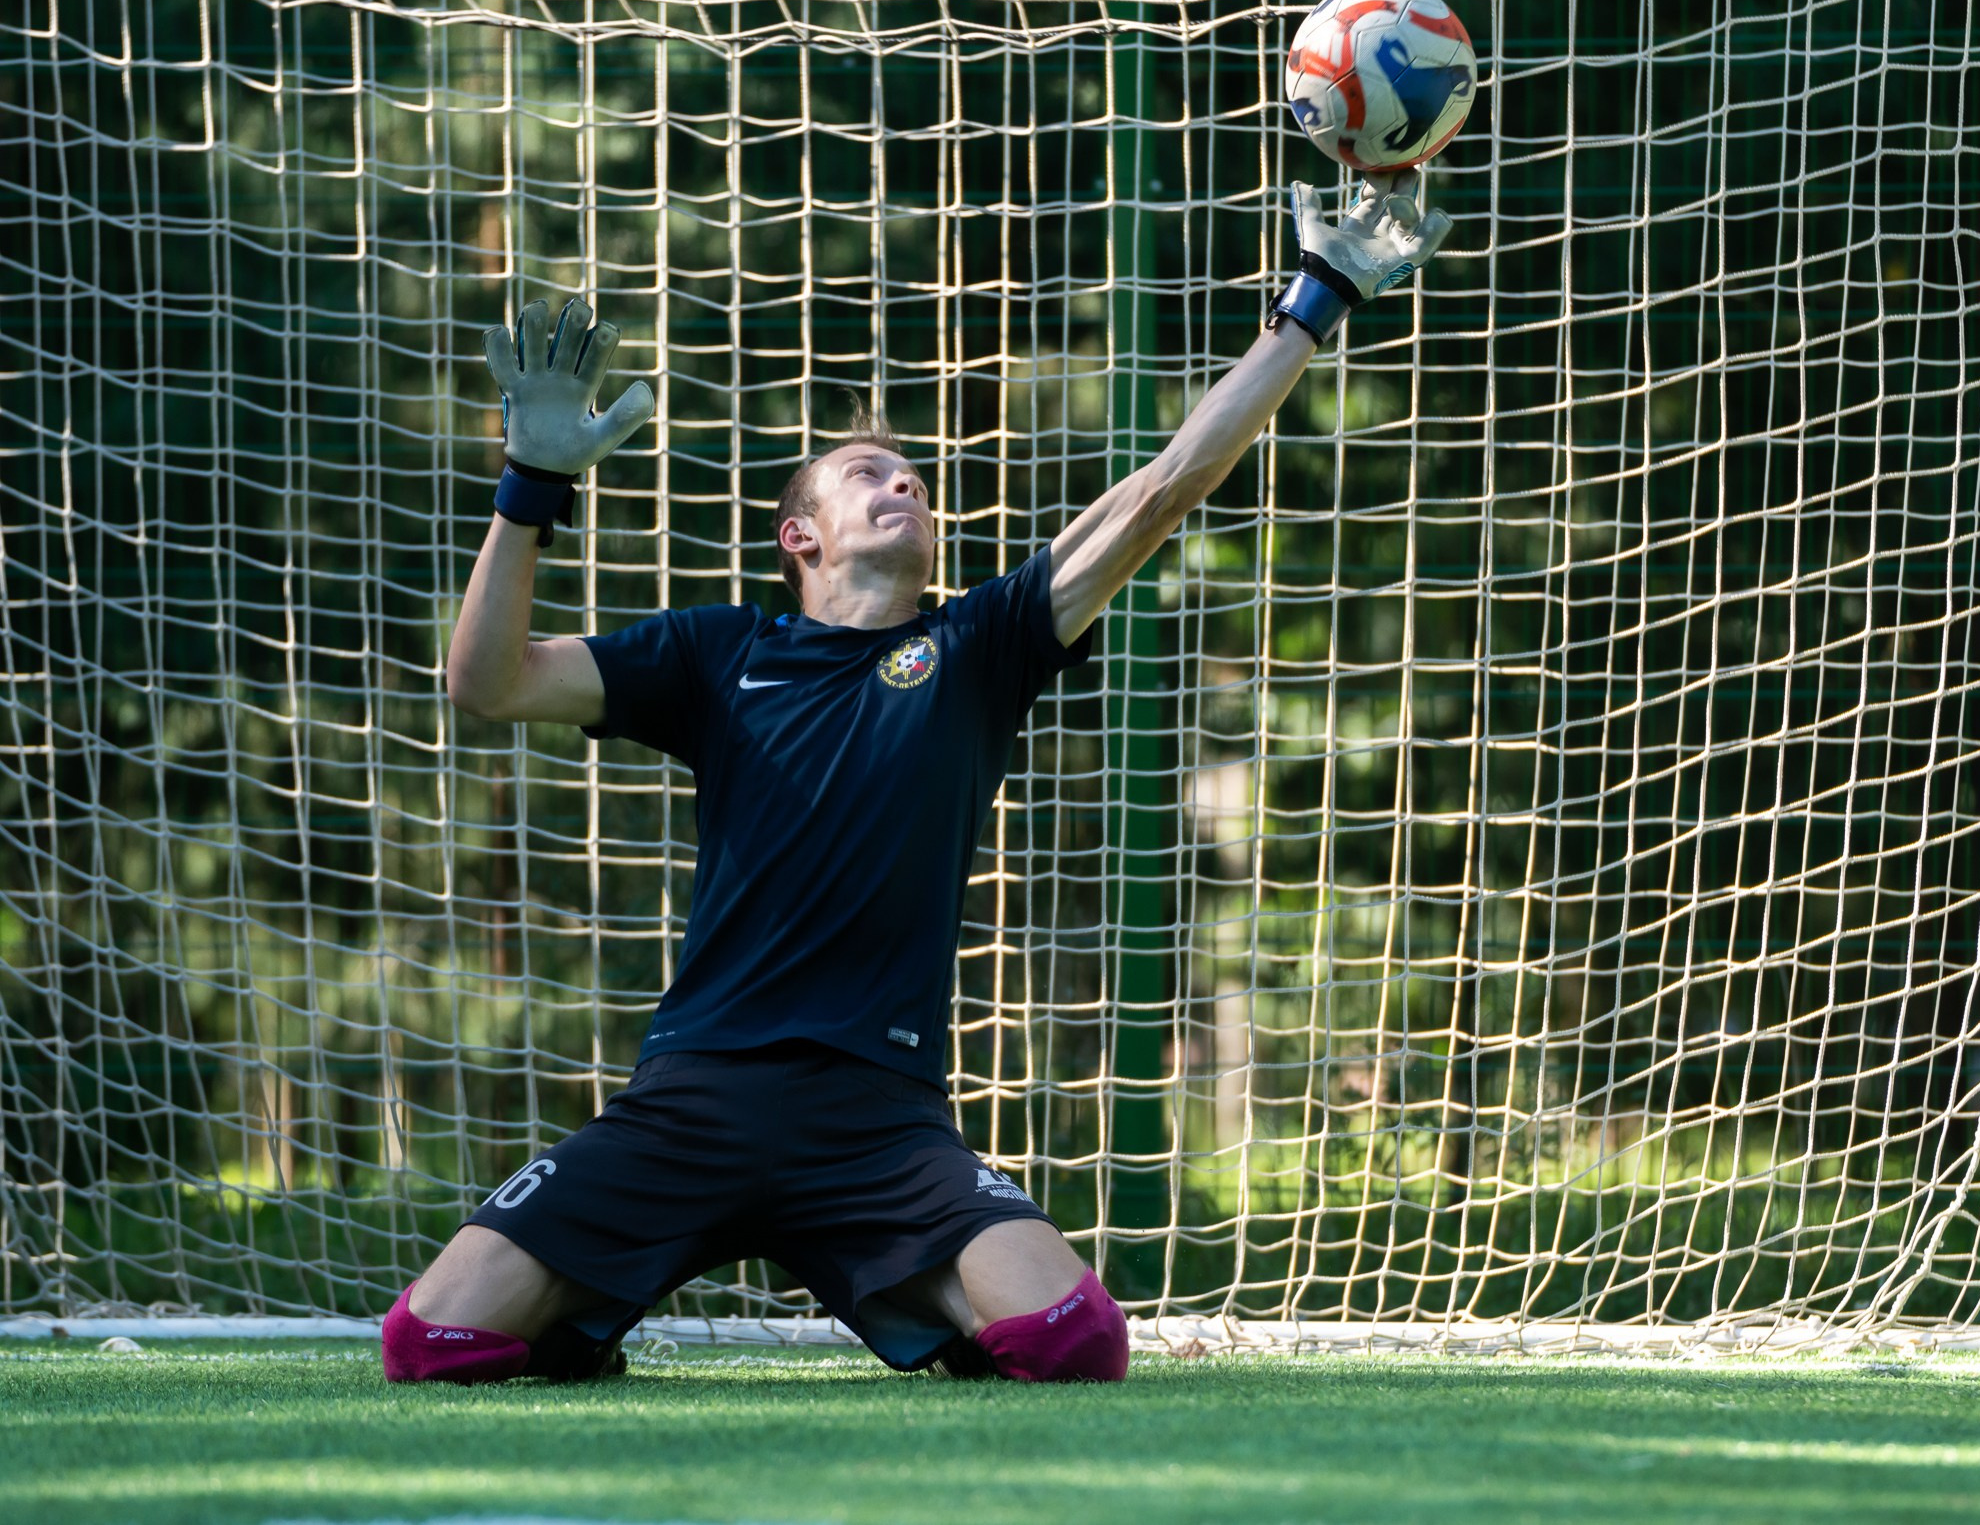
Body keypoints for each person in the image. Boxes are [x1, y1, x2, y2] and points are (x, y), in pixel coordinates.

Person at [380, 173, 1451, 1385]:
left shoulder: (975, 646)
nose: (904, 488)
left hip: (875, 1117)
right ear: (801, 536)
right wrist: (530, 486)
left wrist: (1313, 299)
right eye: (869, 476)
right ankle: (584, 1320)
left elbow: (1163, 490)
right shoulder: (714, 654)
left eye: (915, 483)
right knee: (434, 1343)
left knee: (1074, 1342)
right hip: (693, 1099)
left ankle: (920, 1295)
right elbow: (487, 683)